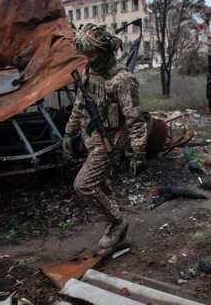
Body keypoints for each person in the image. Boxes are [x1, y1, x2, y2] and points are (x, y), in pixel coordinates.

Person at [63, 23, 147, 252]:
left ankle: (118, 223)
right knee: (102, 185)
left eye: (91, 54)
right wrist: (69, 133)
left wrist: (138, 151)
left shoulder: (122, 80)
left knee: (83, 186)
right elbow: (79, 105)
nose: (88, 59)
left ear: (105, 51)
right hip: (92, 137)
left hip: (111, 141)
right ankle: (116, 231)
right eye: (85, 55)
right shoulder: (89, 72)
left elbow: (134, 118)